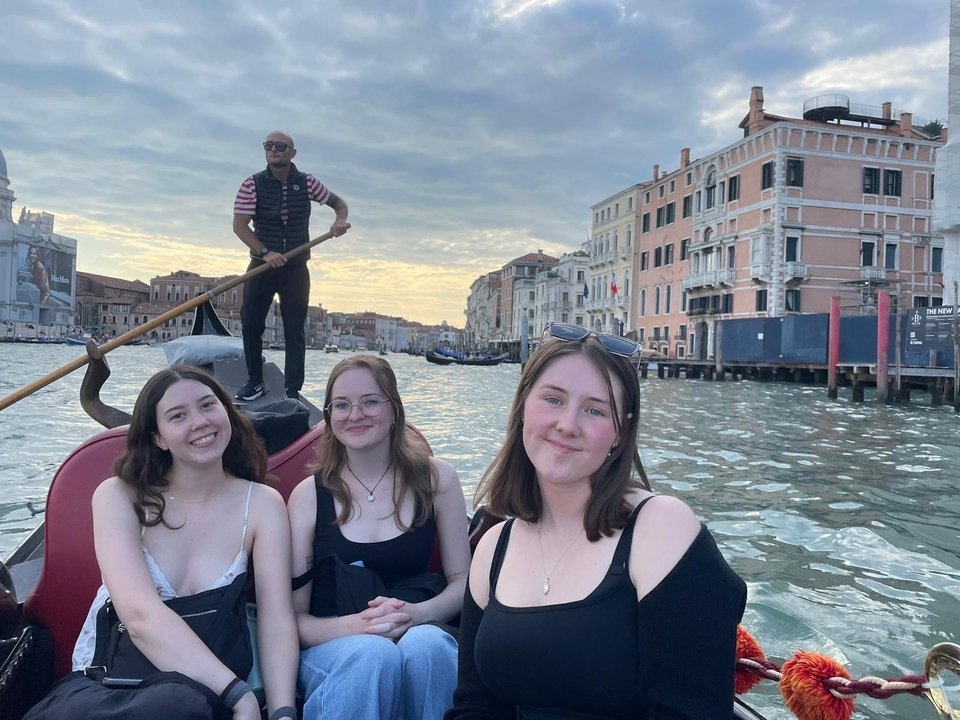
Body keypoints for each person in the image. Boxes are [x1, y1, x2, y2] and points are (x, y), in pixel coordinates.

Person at [446, 323, 747, 720]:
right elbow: (476, 707)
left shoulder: (661, 529)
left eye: (594, 410)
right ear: (522, 408)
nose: (568, 424)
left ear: (620, 433)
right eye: (553, 399)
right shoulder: (492, 548)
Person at [25, 366, 299, 720]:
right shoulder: (118, 496)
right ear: (158, 438)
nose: (200, 422)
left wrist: (282, 712)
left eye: (207, 405)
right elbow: (140, 617)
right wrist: (239, 695)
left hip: (203, 695)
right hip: (109, 690)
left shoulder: (262, 504)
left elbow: (276, 620)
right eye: (178, 415)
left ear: (227, 413)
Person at [287, 355, 471, 720]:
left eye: (370, 401)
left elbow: (463, 583)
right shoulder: (308, 497)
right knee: (372, 654)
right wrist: (361, 626)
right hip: (334, 645)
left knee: (429, 646)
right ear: (329, 417)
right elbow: (292, 619)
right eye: (341, 405)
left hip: (420, 624)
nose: (355, 414)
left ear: (394, 410)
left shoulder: (438, 481)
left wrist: (416, 616)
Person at [233, 130, 349, 402]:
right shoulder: (252, 184)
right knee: (251, 324)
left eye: (280, 146)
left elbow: (339, 204)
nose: (273, 150)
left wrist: (339, 220)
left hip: (296, 267)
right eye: (269, 145)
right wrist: (265, 251)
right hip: (262, 264)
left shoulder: (307, 183)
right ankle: (255, 381)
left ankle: (292, 389)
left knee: (294, 329)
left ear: (292, 153)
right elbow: (240, 226)